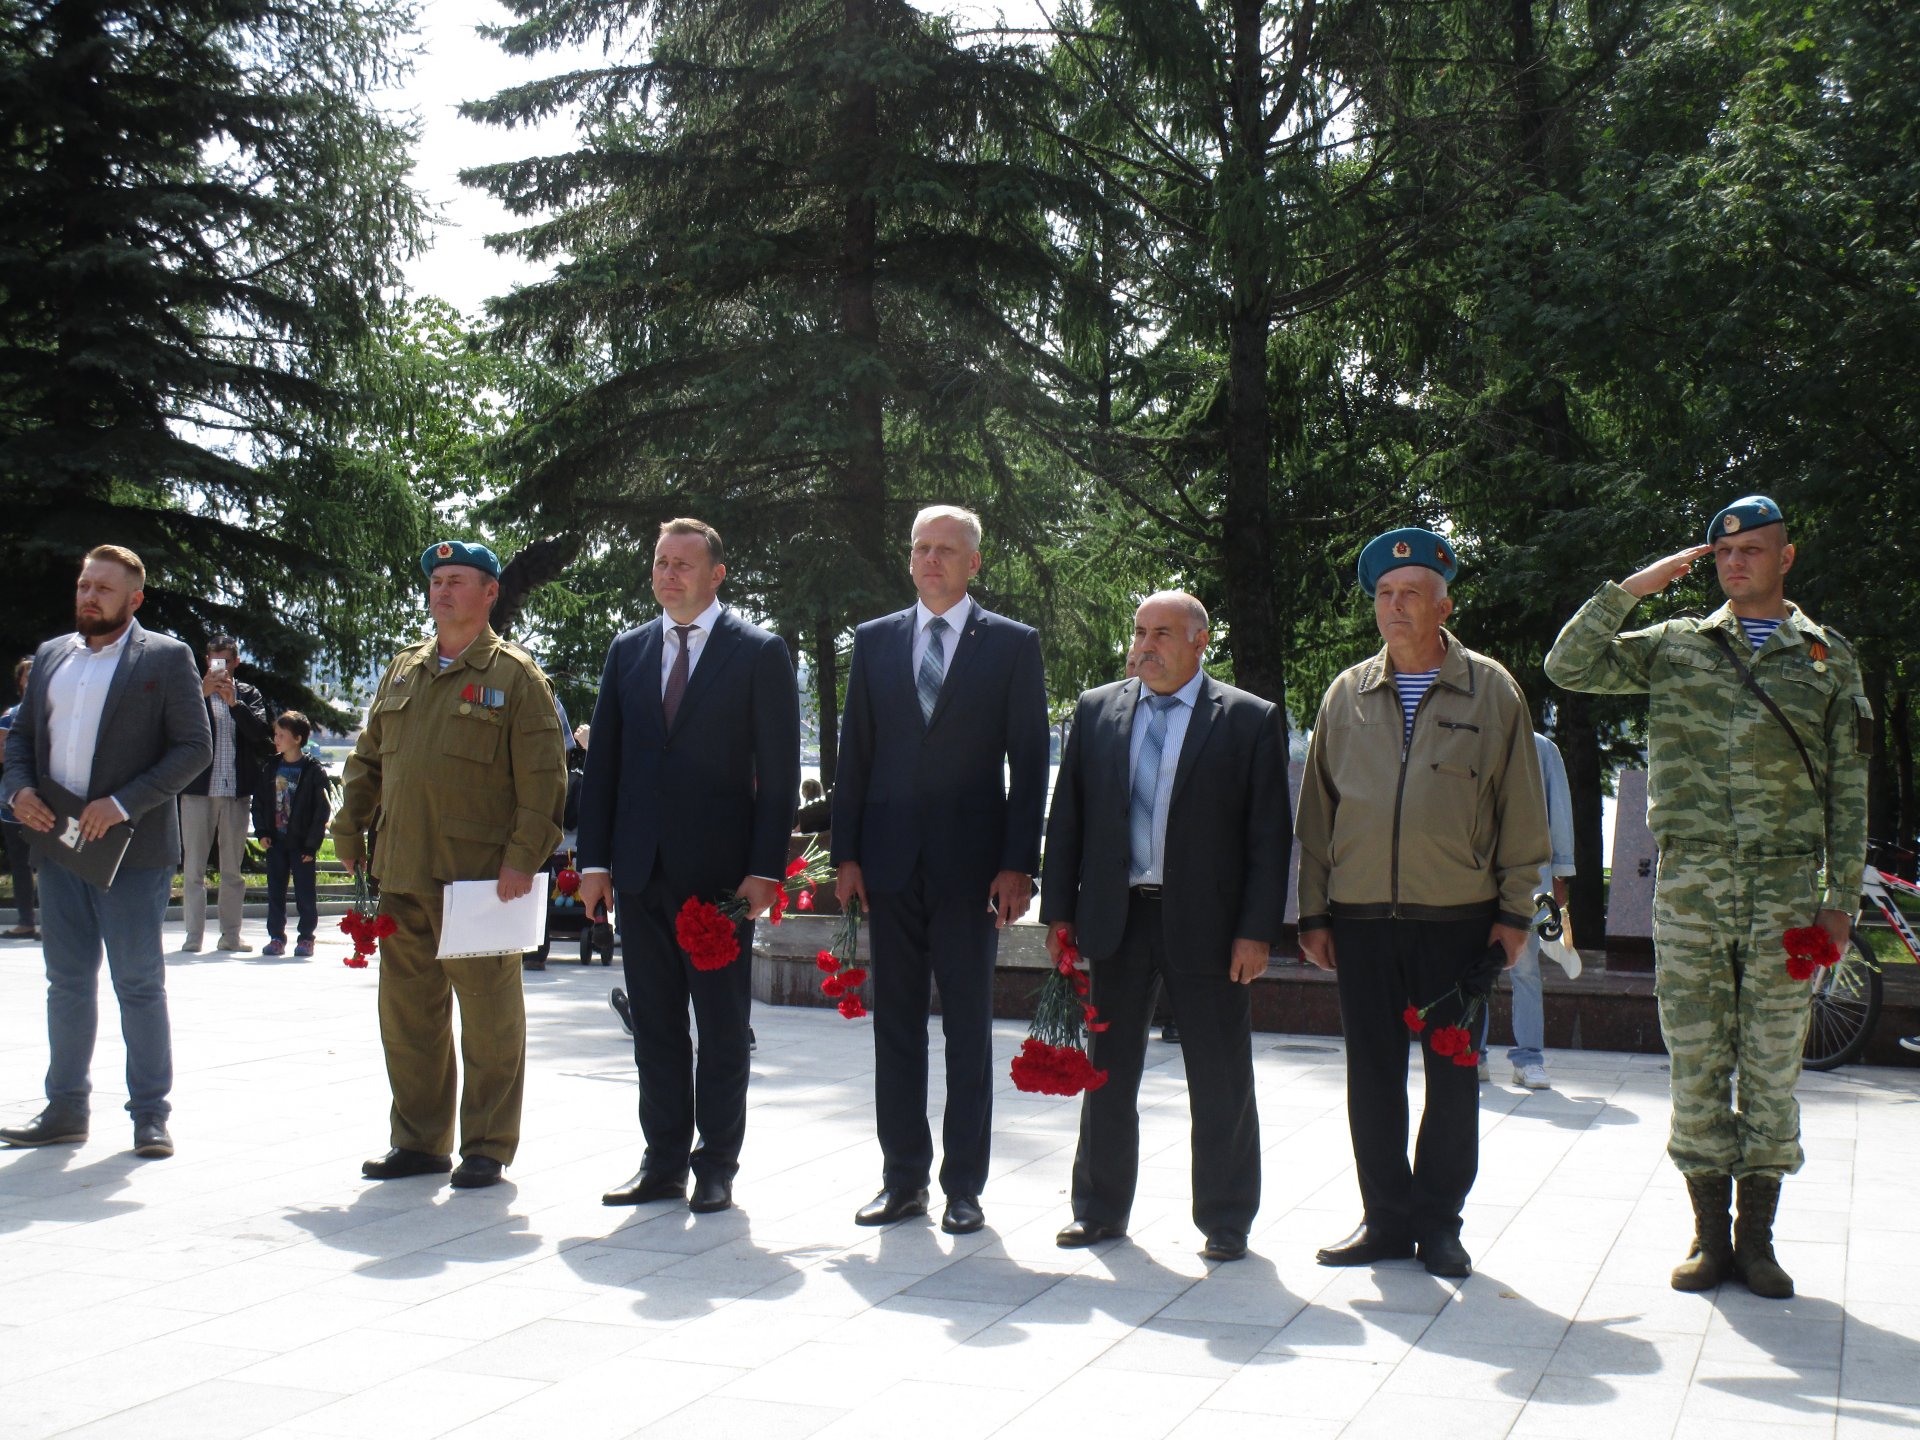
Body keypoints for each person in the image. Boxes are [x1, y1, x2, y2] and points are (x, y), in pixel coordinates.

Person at [1545, 494, 1870, 1299]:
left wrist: (1841, 904)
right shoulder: (1676, 647)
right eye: (1723, 552)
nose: (1735, 563)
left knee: (1770, 1065)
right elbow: (1568, 665)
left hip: (1789, 888)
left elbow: (1851, 791)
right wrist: (1636, 588)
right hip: (1691, 885)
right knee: (1695, 1060)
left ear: (1784, 559)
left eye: (1752, 550)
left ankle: (1757, 1239)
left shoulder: (1828, 658)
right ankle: (1706, 1234)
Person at [1296, 528, 1548, 1279]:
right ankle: (1385, 1219)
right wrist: (1313, 912)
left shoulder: (1493, 690)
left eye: (1410, 595)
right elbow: (1317, 814)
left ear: (1444, 605)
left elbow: (1521, 811)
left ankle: (1439, 1223)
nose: (1395, 607)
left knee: (1453, 1076)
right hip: (1361, 918)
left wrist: (1514, 912)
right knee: (1371, 1073)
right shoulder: (1347, 693)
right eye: (1384, 595)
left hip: (1458, 921)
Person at [1039, 591, 1287, 1261]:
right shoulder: (1096, 711)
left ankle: (1227, 1219)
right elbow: (1068, 823)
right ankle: (1097, 1210)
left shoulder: (1248, 720)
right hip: (1115, 922)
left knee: (1221, 1079)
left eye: (1162, 634)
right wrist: (1058, 915)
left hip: (1209, 927)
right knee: (1107, 1076)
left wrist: (1257, 930)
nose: (1145, 645)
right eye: (1139, 632)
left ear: (1200, 641)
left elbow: (1270, 837)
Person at [832, 505, 1048, 1236]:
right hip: (888, 868)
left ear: (973, 563)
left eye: (946, 550)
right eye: (921, 547)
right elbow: (854, 755)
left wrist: (1019, 863)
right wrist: (848, 854)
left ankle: (964, 1188)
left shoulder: (1013, 646)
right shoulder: (873, 641)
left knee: (967, 1032)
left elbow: (1030, 760)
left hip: (972, 873)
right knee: (896, 1028)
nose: (930, 560)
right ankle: (902, 1182)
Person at [579, 518, 800, 1215]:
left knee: (723, 1027)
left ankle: (717, 1163)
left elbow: (781, 768)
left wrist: (766, 869)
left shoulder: (759, 653)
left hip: (721, 882)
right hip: (641, 872)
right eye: (660, 563)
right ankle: (663, 1159)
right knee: (655, 1024)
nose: (669, 575)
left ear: (717, 575)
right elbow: (605, 765)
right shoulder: (629, 651)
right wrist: (593, 863)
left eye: (683, 564)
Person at [332, 540, 567, 1190]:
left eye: (457, 580)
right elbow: (368, 761)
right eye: (436, 580)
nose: (443, 591)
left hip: (482, 883)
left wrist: (524, 860)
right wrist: (348, 828)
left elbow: (544, 781)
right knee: (408, 1019)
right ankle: (418, 1141)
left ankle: (487, 1144)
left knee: (490, 1023)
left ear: (489, 592)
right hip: (403, 870)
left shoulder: (515, 678)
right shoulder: (405, 670)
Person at [0, 546, 211, 1157]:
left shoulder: (167, 658)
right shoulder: (50, 656)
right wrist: (17, 792)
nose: (89, 596)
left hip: (131, 850)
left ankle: (150, 1114)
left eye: (104, 589)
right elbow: (21, 744)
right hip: (57, 846)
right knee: (65, 982)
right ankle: (66, 1108)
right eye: (84, 585)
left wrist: (122, 803)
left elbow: (193, 748)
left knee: (138, 982)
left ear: (134, 599)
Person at [177, 633, 271, 954]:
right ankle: (194, 937)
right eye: (214, 660)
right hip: (196, 792)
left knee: (232, 870)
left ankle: (230, 936)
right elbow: (175, 731)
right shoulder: (191, 694)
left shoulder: (248, 694)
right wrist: (201, 697)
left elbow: (261, 736)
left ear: (236, 662)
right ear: (206, 662)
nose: (220, 667)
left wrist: (235, 705)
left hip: (235, 793)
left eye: (226, 661)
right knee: (194, 870)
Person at [1507, 731, 1578, 1090]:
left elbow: (1559, 811)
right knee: (1469, 969)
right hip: (1471, 876)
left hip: (1528, 878)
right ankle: (1471, 1055)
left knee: (1525, 968)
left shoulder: (1540, 747)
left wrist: (1561, 873)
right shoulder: (1466, 734)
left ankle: (1529, 1058)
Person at [253, 711, 329, 958]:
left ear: (297, 738)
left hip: (301, 843)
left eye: (282, 735)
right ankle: (276, 936)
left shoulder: (313, 771)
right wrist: (262, 831)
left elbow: (321, 811)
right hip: (276, 841)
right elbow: (261, 802)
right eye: (276, 734)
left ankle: (306, 937)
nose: (276, 739)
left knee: (305, 892)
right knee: (275, 890)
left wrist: (312, 845)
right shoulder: (271, 766)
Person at [2, 657, 37, 938]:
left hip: (56, 802)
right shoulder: (10, 716)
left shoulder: (59, 712)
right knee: (21, 863)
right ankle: (26, 920)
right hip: (15, 802)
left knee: (55, 861)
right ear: (20, 682)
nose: (32, 678)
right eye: (27, 675)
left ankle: (53, 922)